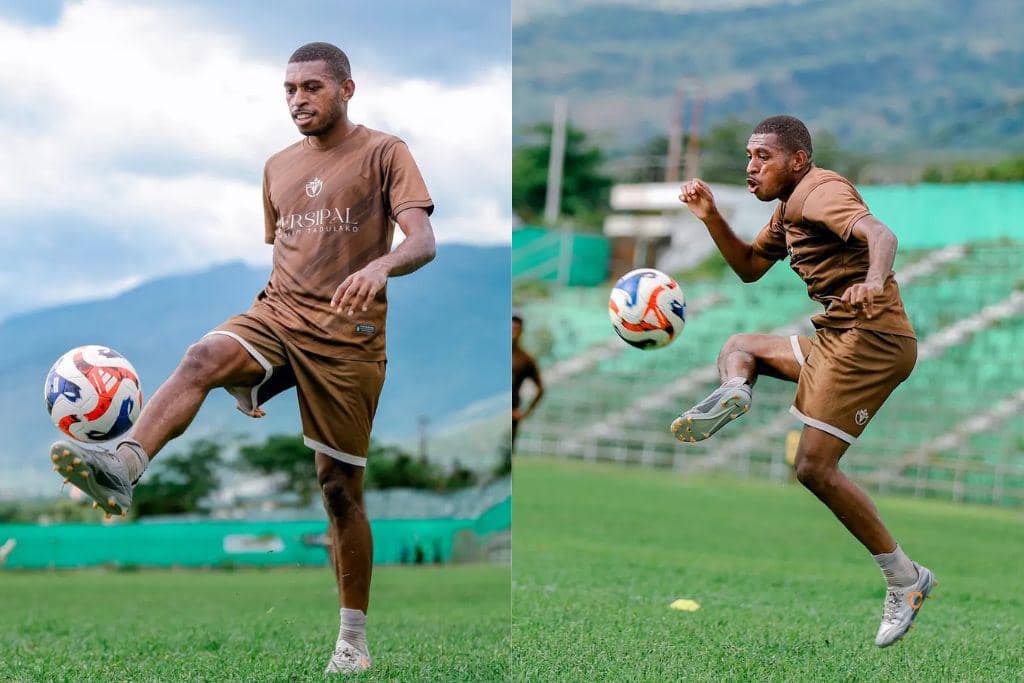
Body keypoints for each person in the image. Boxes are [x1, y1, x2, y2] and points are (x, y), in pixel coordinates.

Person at [49, 42, 436, 674]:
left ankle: (352, 640)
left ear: (347, 90)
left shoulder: (386, 152)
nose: (298, 100)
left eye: (312, 87)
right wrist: (250, 362)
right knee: (202, 357)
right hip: (279, 315)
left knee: (339, 490)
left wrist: (381, 265)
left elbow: (422, 241)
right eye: (289, 89)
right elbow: (287, 262)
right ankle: (122, 465)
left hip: (349, 342)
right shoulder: (276, 167)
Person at [671, 115, 934, 648]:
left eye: (762, 156)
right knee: (738, 347)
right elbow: (748, 267)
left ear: (797, 160)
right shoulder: (788, 208)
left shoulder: (820, 193)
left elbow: (882, 234)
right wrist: (710, 216)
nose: (751, 167)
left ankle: (905, 580)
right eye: (748, 156)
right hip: (838, 337)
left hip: (870, 340)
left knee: (814, 468)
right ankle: (737, 392)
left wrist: (873, 283)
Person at [511, 313, 544, 450]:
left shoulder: (526, 359)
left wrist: (525, 412)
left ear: (521, 332)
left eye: (516, 329)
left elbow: (540, 389)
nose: (513, 332)